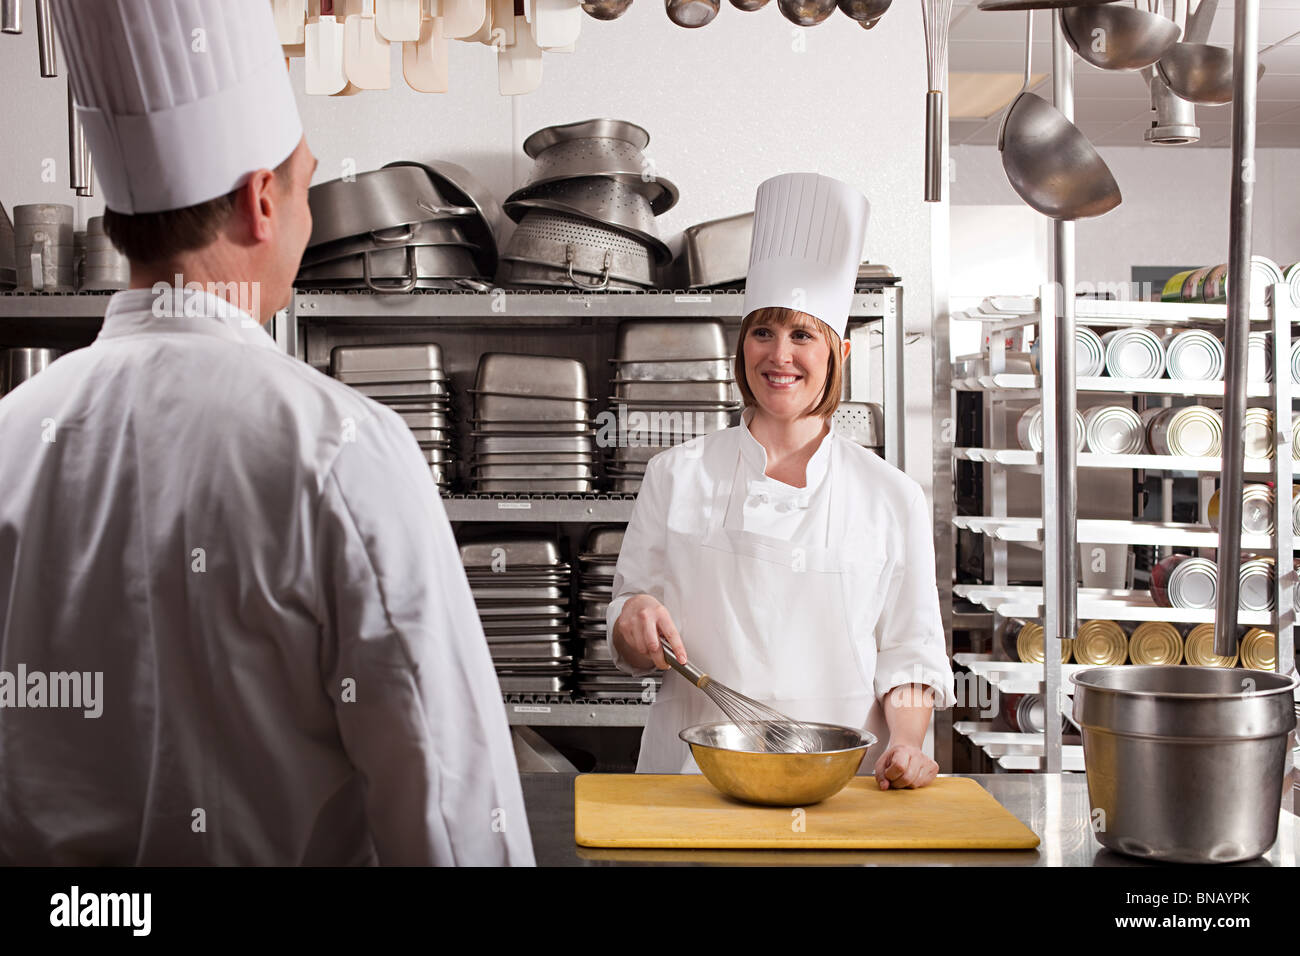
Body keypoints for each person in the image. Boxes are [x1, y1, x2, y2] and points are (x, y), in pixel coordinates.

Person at [0, 0, 532, 866]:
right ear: (259, 204)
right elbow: (446, 804)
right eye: (305, 186)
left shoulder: (13, 437)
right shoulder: (342, 451)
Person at [608, 172, 955, 786]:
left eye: (803, 335)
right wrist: (634, 617)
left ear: (838, 353)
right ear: (742, 348)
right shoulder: (675, 475)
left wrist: (908, 742)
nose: (780, 356)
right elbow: (631, 622)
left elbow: (909, 652)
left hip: (840, 786)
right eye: (762, 333)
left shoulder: (890, 496)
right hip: (694, 780)